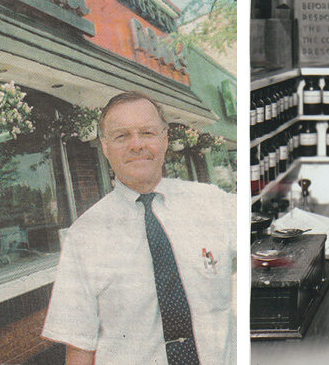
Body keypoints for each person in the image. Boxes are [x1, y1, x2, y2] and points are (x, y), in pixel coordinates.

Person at [42, 91, 235, 365]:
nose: (137, 145)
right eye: (122, 136)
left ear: (165, 139)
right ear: (105, 147)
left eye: (147, 132)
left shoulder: (214, 203)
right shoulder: (84, 236)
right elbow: (80, 346)